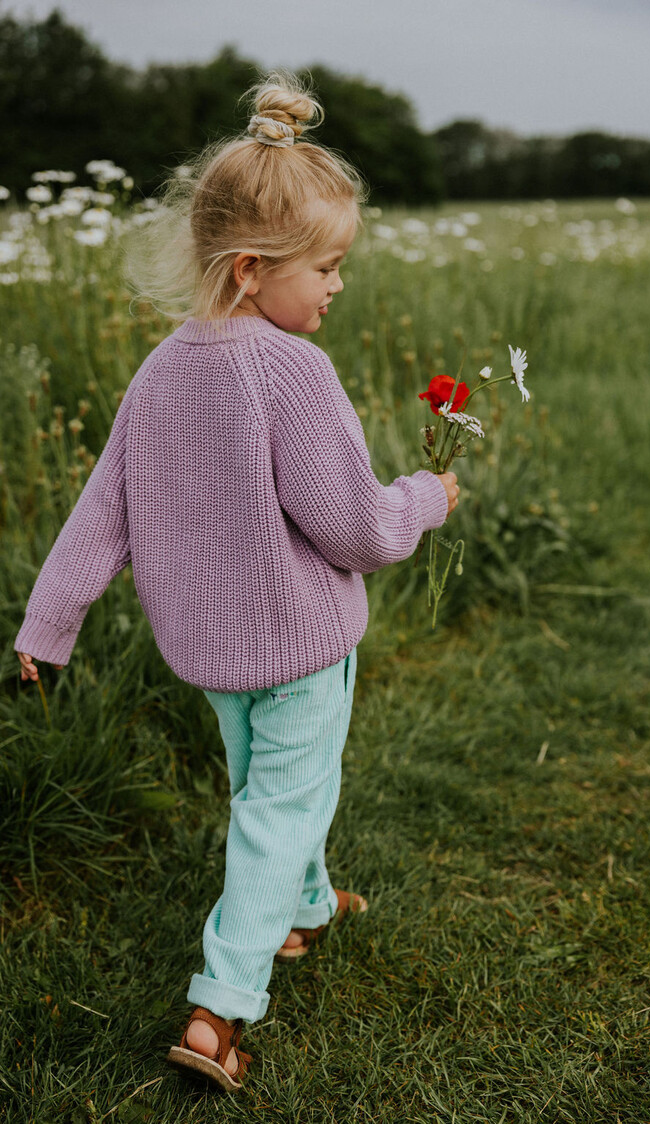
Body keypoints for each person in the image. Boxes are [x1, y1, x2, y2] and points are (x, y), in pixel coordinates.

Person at [15, 72, 459, 1093]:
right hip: (302, 647)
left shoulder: (162, 368)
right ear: (254, 267)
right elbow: (357, 525)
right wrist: (427, 496)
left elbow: (102, 514)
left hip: (212, 654)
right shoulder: (294, 372)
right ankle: (220, 1005)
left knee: (271, 792)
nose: (339, 286)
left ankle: (302, 911)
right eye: (329, 266)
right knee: (277, 807)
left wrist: (49, 626)